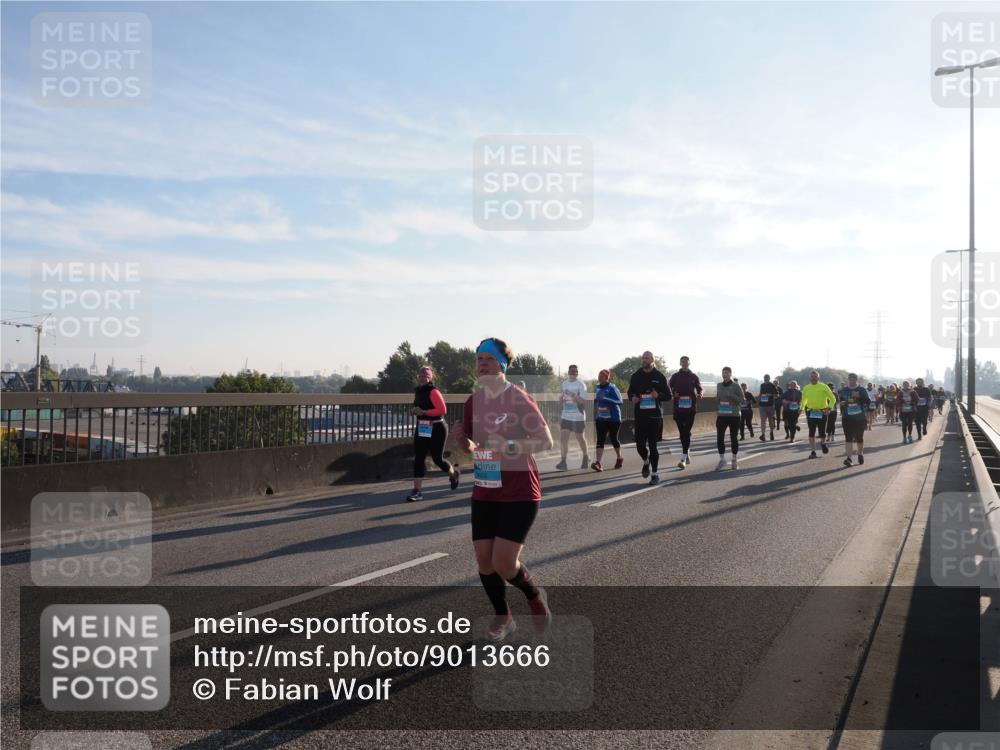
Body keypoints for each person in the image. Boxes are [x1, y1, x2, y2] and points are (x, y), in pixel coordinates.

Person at [452, 337, 554, 641]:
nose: (481, 364)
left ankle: (535, 596)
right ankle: (504, 616)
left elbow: (545, 442)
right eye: (478, 359)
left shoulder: (519, 399)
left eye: (488, 359)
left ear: (502, 365)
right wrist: (462, 440)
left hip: (519, 490)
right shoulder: (475, 401)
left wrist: (509, 445)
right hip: (485, 488)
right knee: (484, 559)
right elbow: (470, 442)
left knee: (504, 563)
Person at [407, 366, 461, 502]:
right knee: (419, 458)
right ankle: (417, 491)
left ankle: (454, 474)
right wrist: (414, 411)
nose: (422, 378)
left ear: (430, 378)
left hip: (437, 427)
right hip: (423, 427)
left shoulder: (433, 391)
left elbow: (442, 409)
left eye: (425, 376)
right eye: (420, 376)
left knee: (437, 459)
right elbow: (419, 407)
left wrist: (424, 412)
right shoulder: (418, 391)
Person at [628, 351, 671, 485]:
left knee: (653, 446)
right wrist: (632, 397)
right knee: (640, 446)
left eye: (647, 358)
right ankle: (646, 461)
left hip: (654, 417)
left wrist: (658, 396)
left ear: (653, 360)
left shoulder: (659, 376)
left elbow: (668, 396)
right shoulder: (636, 376)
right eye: (643, 358)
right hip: (640, 416)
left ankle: (655, 474)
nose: (645, 360)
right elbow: (630, 392)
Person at [668, 355, 703, 469]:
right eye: (682, 362)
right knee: (682, 433)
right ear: (680, 363)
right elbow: (669, 387)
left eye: (686, 362)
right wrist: (673, 393)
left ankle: (683, 458)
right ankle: (686, 451)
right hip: (678, 408)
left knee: (686, 432)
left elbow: (699, 388)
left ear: (689, 363)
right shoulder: (675, 376)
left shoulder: (693, 376)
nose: (684, 363)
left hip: (690, 408)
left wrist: (700, 394)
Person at [555, 364, 589, 471]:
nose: (574, 373)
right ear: (568, 372)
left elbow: (583, 401)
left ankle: (585, 456)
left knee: (580, 438)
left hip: (578, 416)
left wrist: (574, 396)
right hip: (566, 415)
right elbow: (562, 396)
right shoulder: (564, 383)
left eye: (576, 371)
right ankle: (563, 461)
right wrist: (561, 399)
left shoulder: (581, 385)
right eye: (572, 371)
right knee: (563, 439)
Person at [592, 369, 624, 471]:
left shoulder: (612, 388)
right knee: (600, 439)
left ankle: (619, 457)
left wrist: (605, 398)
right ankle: (598, 463)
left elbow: (620, 401)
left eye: (601, 376)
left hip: (613, 418)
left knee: (613, 439)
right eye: (599, 375)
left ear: (607, 377)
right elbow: (597, 400)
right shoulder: (597, 387)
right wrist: (595, 414)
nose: (599, 377)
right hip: (601, 418)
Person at [801, 371, 836, 459]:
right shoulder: (806, 388)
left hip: (822, 411)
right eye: (812, 376)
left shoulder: (823, 386)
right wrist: (801, 409)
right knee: (811, 432)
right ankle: (813, 452)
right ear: (810, 378)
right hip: (811, 411)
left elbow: (833, 398)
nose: (813, 378)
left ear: (818, 378)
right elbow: (804, 400)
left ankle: (823, 443)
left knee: (822, 432)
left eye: (815, 376)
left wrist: (829, 408)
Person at [715, 367, 744, 470]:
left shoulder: (736, 386)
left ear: (730, 374)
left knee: (733, 438)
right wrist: (717, 399)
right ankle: (722, 459)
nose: (724, 375)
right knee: (719, 438)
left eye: (726, 373)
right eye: (723, 373)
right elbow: (718, 398)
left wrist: (732, 395)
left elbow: (742, 400)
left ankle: (734, 460)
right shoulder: (719, 385)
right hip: (722, 414)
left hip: (734, 415)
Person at [839, 373, 871, 466]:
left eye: (853, 379)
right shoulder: (844, 390)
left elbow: (868, 402)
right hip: (847, 417)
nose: (851, 380)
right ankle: (849, 458)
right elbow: (841, 401)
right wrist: (843, 405)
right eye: (850, 379)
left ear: (856, 380)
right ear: (848, 379)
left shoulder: (861, 389)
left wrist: (859, 397)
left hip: (859, 418)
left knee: (859, 438)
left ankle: (860, 453)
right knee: (848, 437)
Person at [758, 374, 779, 442]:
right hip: (762, 405)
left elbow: (776, 395)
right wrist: (759, 397)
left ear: (769, 378)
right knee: (763, 420)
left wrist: (770, 395)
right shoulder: (762, 385)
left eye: (767, 377)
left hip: (770, 405)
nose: (765, 378)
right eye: (765, 377)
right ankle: (763, 434)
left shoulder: (772, 385)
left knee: (770, 420)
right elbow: (761, 393)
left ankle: (771, 432)